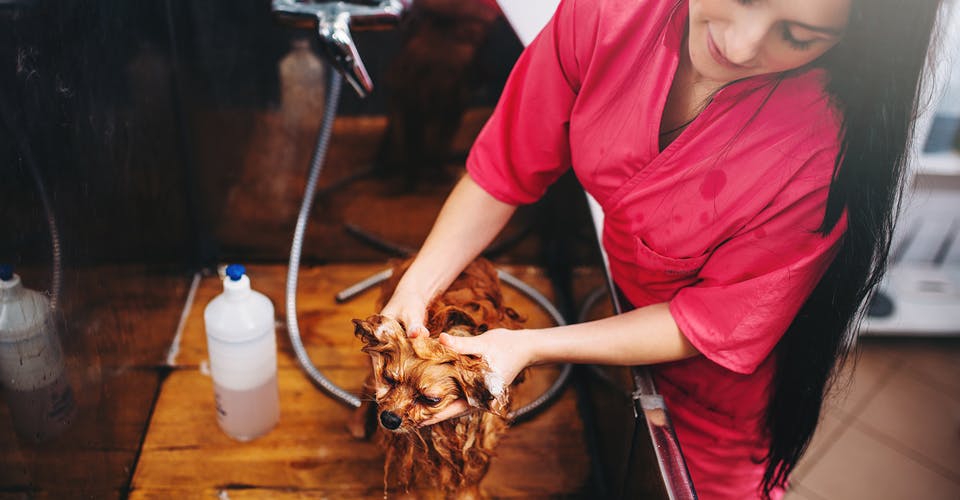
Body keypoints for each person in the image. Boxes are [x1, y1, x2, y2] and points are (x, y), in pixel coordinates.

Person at [379, 0, 944, 498]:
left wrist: (527, 346)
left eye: (797, 36)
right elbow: (506, 164)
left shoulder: (825, 154)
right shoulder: (611, 12)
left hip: (717, 390)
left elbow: (707, 324)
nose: (741, 44)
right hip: (622, 309)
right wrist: (415, 288)